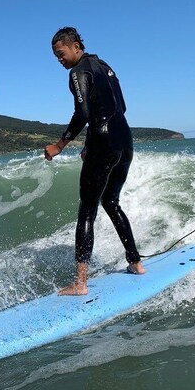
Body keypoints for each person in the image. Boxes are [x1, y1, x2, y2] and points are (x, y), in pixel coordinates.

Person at [44, 26, 145, 296]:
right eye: (56, 56)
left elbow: (83, 112)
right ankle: (135, 263)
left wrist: (59, 144)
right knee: (111, 201)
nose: (60, 60)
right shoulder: (104, 66)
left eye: (61, 53)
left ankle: (80, 283)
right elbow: (119, 107)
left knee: (87, 209)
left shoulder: (78, 73)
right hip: (125, 141)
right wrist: (91, 143)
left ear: (75, 46)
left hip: (105, 143)